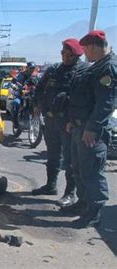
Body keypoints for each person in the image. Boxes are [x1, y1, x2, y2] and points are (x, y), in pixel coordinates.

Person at [66, 30, 115, 228]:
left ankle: (94, 212)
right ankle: (83, 203)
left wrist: (92, 129)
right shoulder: (97, 67)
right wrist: (74, 121)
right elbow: (84, 99)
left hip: (92, 134)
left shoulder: (108, 68)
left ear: (93, 47)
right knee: (78, 168)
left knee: (92, 172)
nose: (84, 53)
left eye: (85, 49)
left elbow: (105, 104)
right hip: (81, 128)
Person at [31, 39, 89, 207]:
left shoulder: (83, 72)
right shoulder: (54, 70)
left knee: (70, 160)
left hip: (68, 123)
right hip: (50, 120)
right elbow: (39, 88)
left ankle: (70, 193)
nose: (64, 56)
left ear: (76, 55)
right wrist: (35, 105)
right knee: (52, 155)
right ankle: (51, 185)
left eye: (68, 54)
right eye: (62, 53)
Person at [10, 62, 39, 130]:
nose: (32, 70)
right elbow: (16, 81)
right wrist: (16, 86)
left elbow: (39, 83)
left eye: (33, 68)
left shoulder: (35, 76)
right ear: (27, 68)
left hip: (32, 95)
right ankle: (15, 123)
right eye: (30, 68)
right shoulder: (21, 75)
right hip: (21, 94)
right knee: (16, 103)